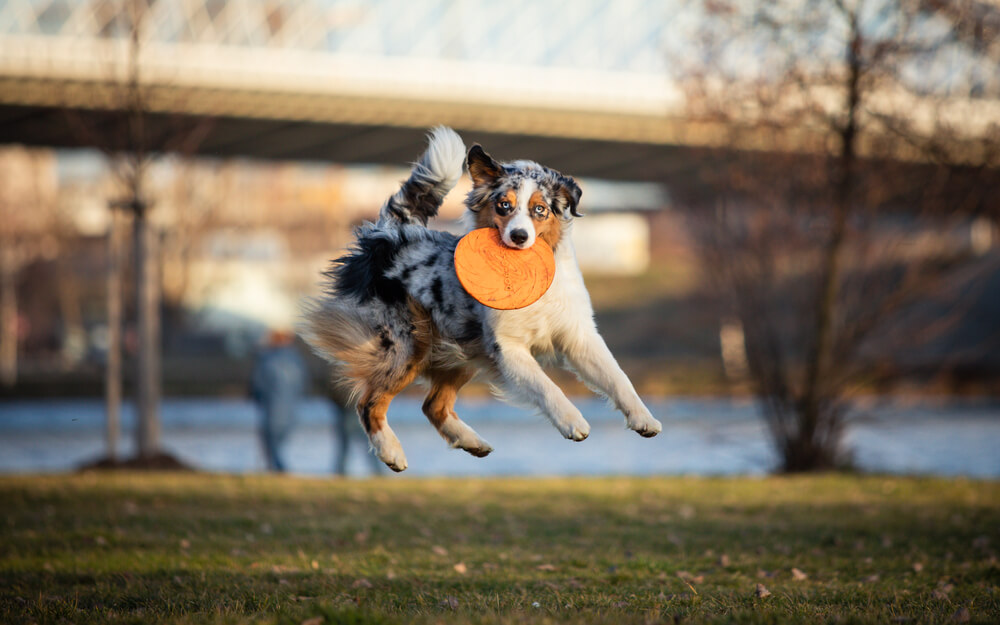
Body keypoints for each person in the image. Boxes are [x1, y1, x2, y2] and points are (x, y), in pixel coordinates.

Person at [250, 329, 307, 472]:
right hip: (291, 412)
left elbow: (258, 386)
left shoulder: (267, 360)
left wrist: (258, 398)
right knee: (278, 445)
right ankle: (277, 469)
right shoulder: (296, 360)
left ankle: (279, 470)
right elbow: (303, 385)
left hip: (272, 411)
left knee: (271, 445)